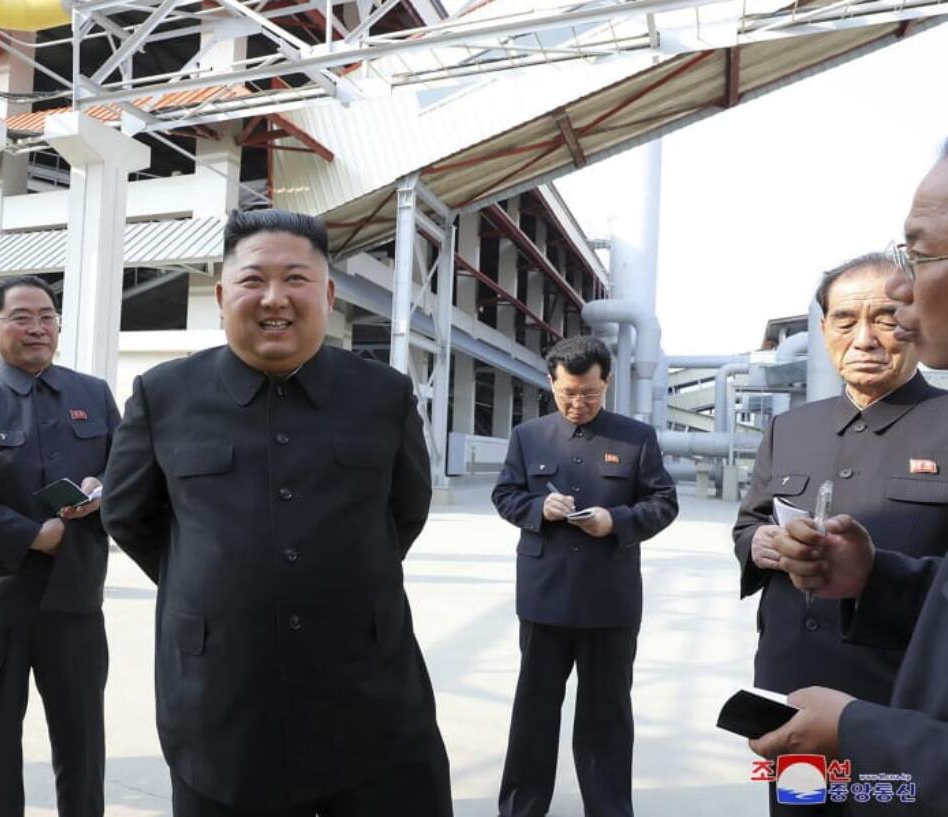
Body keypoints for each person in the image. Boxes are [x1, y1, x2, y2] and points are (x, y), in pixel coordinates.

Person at [100, 209, 453, 817]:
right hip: (221, 701)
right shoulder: (164, 395)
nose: (274, 299)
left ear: (328, 294)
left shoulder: (383, 396)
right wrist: (214, 580)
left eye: (296, 279)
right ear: (220, 295)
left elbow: (404, 511)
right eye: (253, 280)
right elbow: (129, 515)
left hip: (369, 693)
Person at [752, 146, 948, 814]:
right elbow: (750, 519)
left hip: (895, 713)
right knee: (799, 805)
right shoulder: (791, 427)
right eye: (845, 319)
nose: (867, 334)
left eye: (885, 316)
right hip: (793, 693)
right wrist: (761, 545)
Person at [0, 274, 120, 817]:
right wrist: (34, 535)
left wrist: (103, 488)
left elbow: (127, 470)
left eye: (48, 316)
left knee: (82, 744)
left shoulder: (92, 393)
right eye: (22, 317)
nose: (38, 328)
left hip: (75, 599)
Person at [493, 335, 678, 817]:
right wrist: (539, 507)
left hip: (608, 601)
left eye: (590, 394)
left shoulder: (636, 438)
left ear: (606, 383)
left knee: (606, 717)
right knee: (533, 712)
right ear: (551, 383)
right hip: (543, 597)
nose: (578, 403)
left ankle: (610, 809)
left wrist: (615, 522)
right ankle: (520, 808)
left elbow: (664, 503)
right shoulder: (528, 436)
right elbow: (505, 494)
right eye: (567, 393)